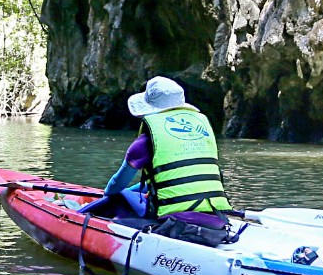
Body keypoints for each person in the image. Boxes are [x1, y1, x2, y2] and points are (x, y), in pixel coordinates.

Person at [78, 76, 232, 225]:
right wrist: (132, 191)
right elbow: (167, 182)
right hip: (215, 215)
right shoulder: (200, 135)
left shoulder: (144, 143)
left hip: (174, 218)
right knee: (126, 195)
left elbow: (115, 187)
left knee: (116, 198)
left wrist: (115, 193)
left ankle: (78, 216)